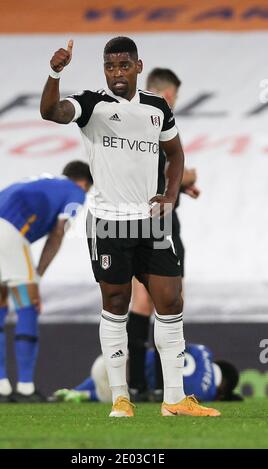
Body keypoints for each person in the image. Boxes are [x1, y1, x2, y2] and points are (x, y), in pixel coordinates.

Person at [41, 36, 220, 417]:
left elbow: (175, 153)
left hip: (152, 221)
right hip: (110, 223)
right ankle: (121, 397)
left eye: (124, 66)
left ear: (138, 67)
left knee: (171, 301)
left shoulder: (157, 107)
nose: (117, 74)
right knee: (117, 304)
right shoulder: (91, 104)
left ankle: (174, 400)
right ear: (104, 70)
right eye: (110, 67)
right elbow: (50, 111)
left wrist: (170, 194)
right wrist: (55, 71)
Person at [0, 161, 92, 403]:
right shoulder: (76, 192)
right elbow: (57, 233)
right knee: (28, 305)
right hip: (8, 232)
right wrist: (36, 276)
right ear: (85, 183)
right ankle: (25, 387)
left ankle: (1, 387)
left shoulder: (41, 181)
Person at [127, 68, 200, 402]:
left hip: (135, 218)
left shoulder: (129, 117)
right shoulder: (157, 120)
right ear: (168, 94)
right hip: (161, 220)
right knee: (168, 301)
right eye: (176, 96)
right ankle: (163, 385)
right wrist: (184, 179)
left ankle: (137, 385)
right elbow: (167, 166)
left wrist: (183, 186)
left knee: (140, 302)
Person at [52, 344, 243, 403]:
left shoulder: (204, 351)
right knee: (120, 394)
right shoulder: (207, 393)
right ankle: (83, 395)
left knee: (110, 376)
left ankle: (77, 391)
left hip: (116, 361)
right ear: (223, 387)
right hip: (122, 388)